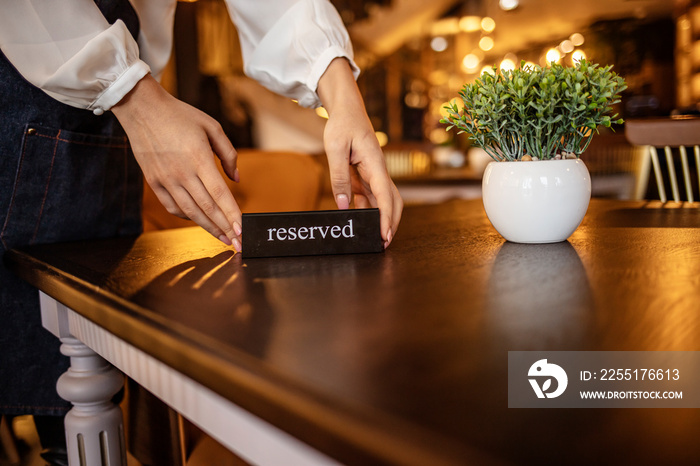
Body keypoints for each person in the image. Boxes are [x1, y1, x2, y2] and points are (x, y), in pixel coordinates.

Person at [0, 0, 402, 462]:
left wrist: (345, 98)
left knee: (76, 409)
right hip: (23, 112)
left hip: (102, 136)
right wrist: (135, 97)